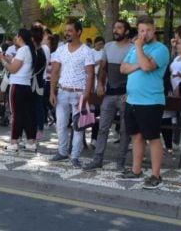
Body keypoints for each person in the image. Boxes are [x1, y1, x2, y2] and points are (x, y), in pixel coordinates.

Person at [119, 15, 170, 190]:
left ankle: (156, 174)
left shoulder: (160, 49)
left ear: (154, 30)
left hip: (151, 101)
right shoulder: (134, 49)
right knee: (136, 136)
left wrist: (140, 49)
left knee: (153, 137)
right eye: (141, 30)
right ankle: (136, 170)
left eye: (147, 30)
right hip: (132, 100)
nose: (144, 34)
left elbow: (148, 67)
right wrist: (139, 64)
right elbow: (123, 68)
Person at [83, 20, 133, 172]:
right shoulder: (108, 46)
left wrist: (130, 93)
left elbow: (134, 72)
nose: (115, 30)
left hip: (125, 94)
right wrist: (99, 84)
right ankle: (97, 160)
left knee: (125, 130)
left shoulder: (132, 49)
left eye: (119, 28)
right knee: (103, 128)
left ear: (126, 31)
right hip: (109, 94)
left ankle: (121, 162)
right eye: (114, 27)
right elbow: (103, 69)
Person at [49, 19, 95, 168]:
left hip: (79, 93)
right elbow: (55, 72)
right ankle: (62, 152)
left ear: (78, 32)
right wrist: (52, 92)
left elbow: (90, 74)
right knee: (61, 125)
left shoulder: (86, 51)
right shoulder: (61, 50)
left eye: (70, 30)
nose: (66, 33)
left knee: (78, 127)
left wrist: (86, 94)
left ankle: (75, 156)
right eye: (66, 30)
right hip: (62, 91)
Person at [0, 28, 38, 153]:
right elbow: (17, 63)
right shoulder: (30, 49)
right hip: (26, 85)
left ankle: (14, 142)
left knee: (16, 115)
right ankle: (31, 142)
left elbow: (13, 69)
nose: (15, 38)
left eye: (16, 36)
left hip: (17, 85)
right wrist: (5, 57)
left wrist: (1, 60)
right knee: (27, 115)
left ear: (20, 37)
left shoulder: (23, 49)